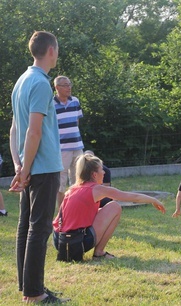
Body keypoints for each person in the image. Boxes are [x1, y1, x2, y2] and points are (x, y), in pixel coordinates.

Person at [9, 31, 66, 303]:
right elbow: (33, 132)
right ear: (51, 50)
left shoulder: (21, 80)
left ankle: (27, 286)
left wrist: (19, 166)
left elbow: (14, 130)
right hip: (42, 168)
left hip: (30, 166)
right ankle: (34, 292)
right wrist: (27, 168)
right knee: (39, 228)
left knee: (25, 227)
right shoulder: (42, 84)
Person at [52, 153, 165, 259]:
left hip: (59, 241)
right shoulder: (97, 189)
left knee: (102, 210)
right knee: (115, 207)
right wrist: (153, 200)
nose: (104, 172)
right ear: (94, 174)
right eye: (102, 169)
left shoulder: (72, 189)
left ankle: (96, 251)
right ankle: (99, 252)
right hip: (76, 242)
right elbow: (132, 197)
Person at [54, 75, 84, 206]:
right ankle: (61, 210)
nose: (68, 87)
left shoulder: (75, 101)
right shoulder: (51, 104)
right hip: (61, 148)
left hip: (77, 146)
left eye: (69, 84)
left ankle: (74, 207)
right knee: (61, 180)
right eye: (65, 85)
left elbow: (76, 122)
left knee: (79, 178)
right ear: (57, 87)